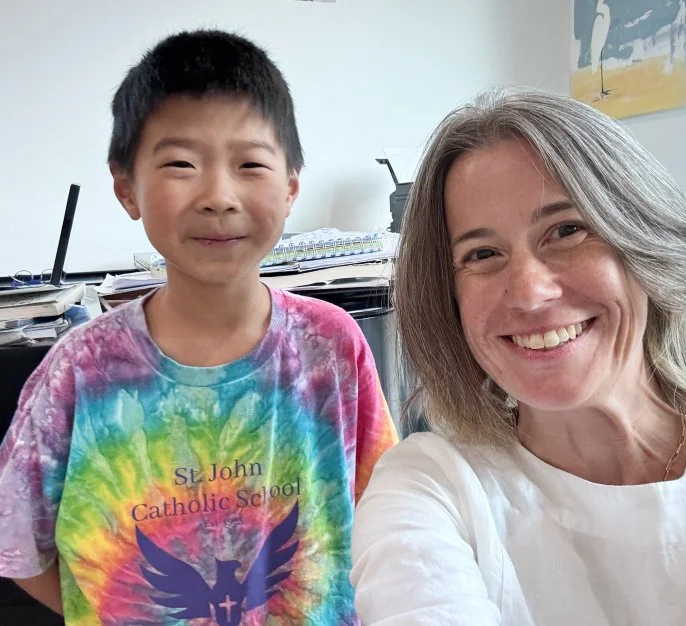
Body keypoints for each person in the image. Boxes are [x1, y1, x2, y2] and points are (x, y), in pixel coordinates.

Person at [0, 30, 397, 625]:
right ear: (126, 188)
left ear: (290, 187)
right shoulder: (80, 370)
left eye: (251, 164)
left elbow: (389, 517)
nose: (218, 195)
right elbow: (18, 545)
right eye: (181, 163)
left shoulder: (332, 347)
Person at [350, 89, 686, 625]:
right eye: (482, 254)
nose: (530, 292)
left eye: (567, 231)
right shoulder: (431, 492)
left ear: (643, 241)